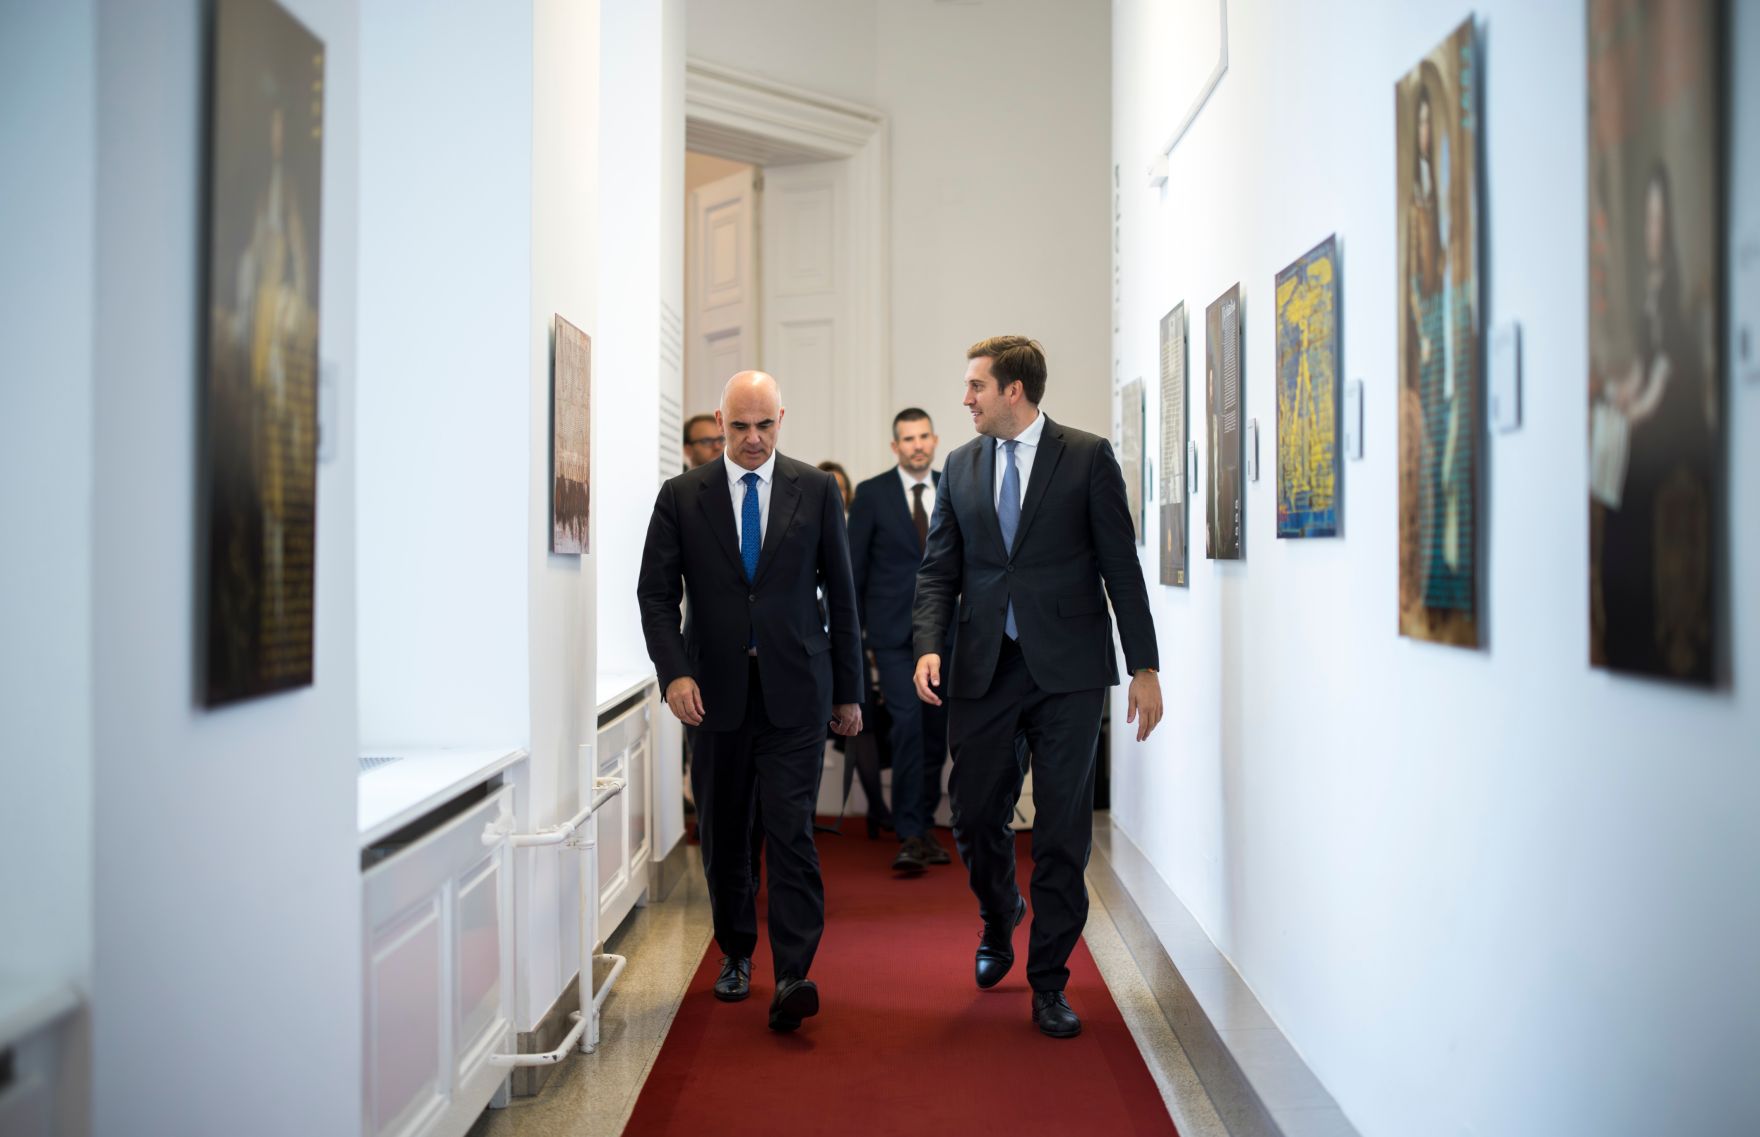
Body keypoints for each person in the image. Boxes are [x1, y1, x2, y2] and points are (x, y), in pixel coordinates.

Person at [912, 336, 1162, 1039]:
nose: (966, 398)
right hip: (983, 667)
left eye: (976, 386)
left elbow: (1120, 567)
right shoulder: (960, 466)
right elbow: (938, 570)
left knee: (1061, 831)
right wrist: (928, 645)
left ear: (1013, 390)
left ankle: (1049, 981)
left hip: (1069, 673)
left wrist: (1144, 666)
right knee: (971, 813)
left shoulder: (1086, 457)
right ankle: (1000, 916)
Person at [638, 371, 863, 1032]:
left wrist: (849, 691)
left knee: (791, 831)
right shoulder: (683, 496)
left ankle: (794, 973)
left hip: (797, 690)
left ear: (781, 419)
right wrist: (674, 674)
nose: (754, 438)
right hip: (712, 695)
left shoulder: (815, 489)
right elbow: (655, 595)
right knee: (726, 833)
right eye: (740, 426)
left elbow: (842, 596)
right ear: (720, 422)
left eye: (765, 425)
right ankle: (736, 952)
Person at [847, 409, 952, 874]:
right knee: (907, 724)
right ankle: (909, 832)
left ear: (935, 440)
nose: (917, 445)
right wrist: (854, 638)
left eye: (923, 436)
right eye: (908, 439)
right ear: (896, 446)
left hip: (946, 634)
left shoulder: (953, 487)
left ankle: (923, 825)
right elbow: (853, 570)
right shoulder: (871, 494)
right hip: (891, 637)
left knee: (935, 732)